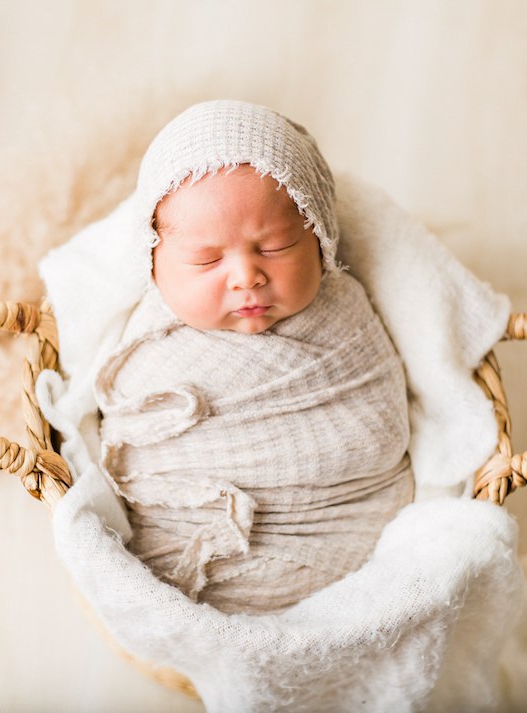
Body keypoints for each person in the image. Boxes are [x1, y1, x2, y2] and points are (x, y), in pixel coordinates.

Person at [94, 100, 413, 614]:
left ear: (320, 236)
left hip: (345, 542)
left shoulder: (343, 314)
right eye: (206, 259)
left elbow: (377, 432)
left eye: (276, 246)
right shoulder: (153, 342)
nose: (246, 277)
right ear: (152, 262)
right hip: (196, 551)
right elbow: (133, 445)